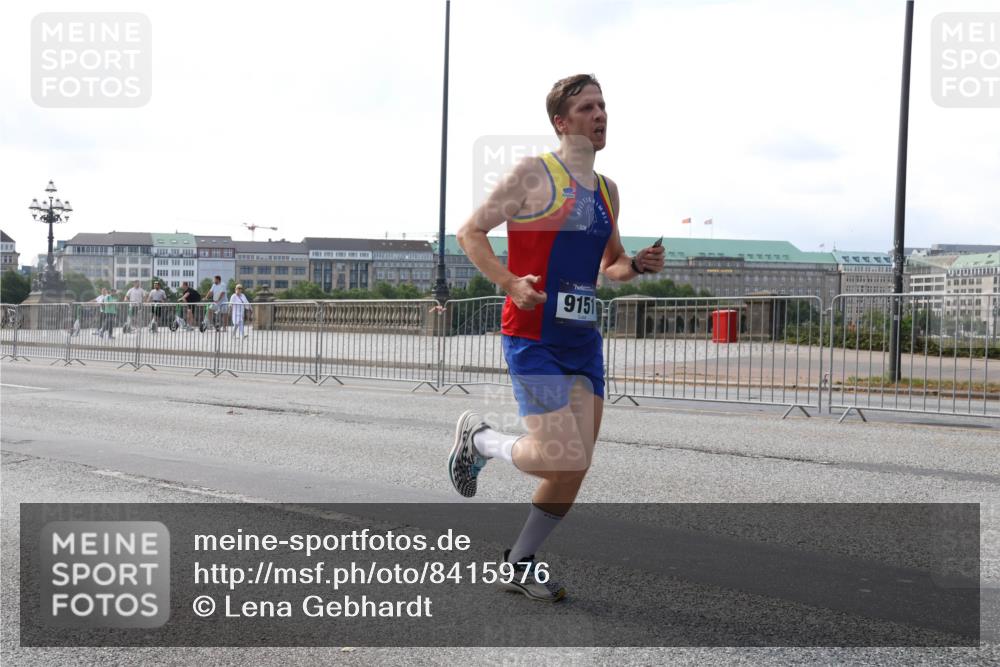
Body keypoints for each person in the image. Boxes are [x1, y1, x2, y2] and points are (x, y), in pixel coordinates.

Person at [447, 74, 664, 602]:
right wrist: (509, 283)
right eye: (589, 107)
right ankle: (480, 441)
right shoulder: (532, 175)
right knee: (561, 458)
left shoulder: (609, 191)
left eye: (604, 105)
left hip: (582, 341)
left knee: (574, 468)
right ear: (561, 123)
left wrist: (635, 264)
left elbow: (609, 263)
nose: (601, 114)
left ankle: (518, 564)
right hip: (533, 336)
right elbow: (470, 231)